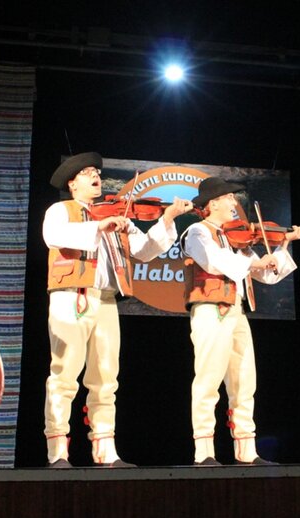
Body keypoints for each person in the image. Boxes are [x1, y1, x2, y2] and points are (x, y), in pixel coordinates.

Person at [43, 151, 193, 468]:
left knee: (106, 378)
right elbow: (52, 236)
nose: (95, 175)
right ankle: (57, 452)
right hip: (72, 296)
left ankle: (105, 451)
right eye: (86, 172)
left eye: (96, 170)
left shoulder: (114, 215)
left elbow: (143, 251)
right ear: (72, 184)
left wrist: (167, 219)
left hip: (107, 299)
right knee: (64, 376)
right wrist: (100, 227)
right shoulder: (62, 210)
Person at [182, 176, 300, 465]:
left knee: (244, 380)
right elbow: (213, 261)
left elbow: (268, 275)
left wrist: (282, 246)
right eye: (228, 199)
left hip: (236, 310)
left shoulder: (237, 238)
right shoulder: (197, 232)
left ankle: (247, 451)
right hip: (210, 308)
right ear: (213, 204)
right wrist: (255, 261)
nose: (234, 203)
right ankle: (204, 452)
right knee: (208, 380)